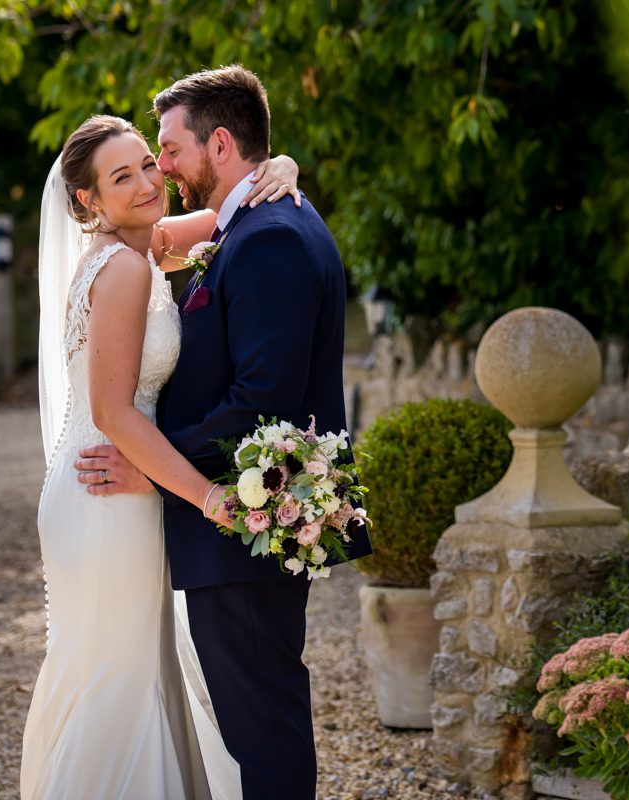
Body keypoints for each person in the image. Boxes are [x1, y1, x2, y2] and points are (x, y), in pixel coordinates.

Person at [66, 66, 373, 798]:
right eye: (137, 168)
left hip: (237, 519)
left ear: (224, 143)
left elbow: (259, 398)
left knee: (261, 724)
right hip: (193, 505)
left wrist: (172, 478)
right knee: (248, 714)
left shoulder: (264, 231)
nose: (159, 171)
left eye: (164, 151)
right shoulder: (209, 232)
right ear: (90, 199)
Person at [24, 112, 303, 799]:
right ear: (88, 201)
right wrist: (209, 495)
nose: (149, 181)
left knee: (127, 669)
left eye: (149, 162)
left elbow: (227, 215)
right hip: (109, 492)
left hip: (112, 481)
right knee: (118, 679)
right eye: (123, 176)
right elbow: (112, 412)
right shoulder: (122, 268)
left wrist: (285, 168)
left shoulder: (141, 244)